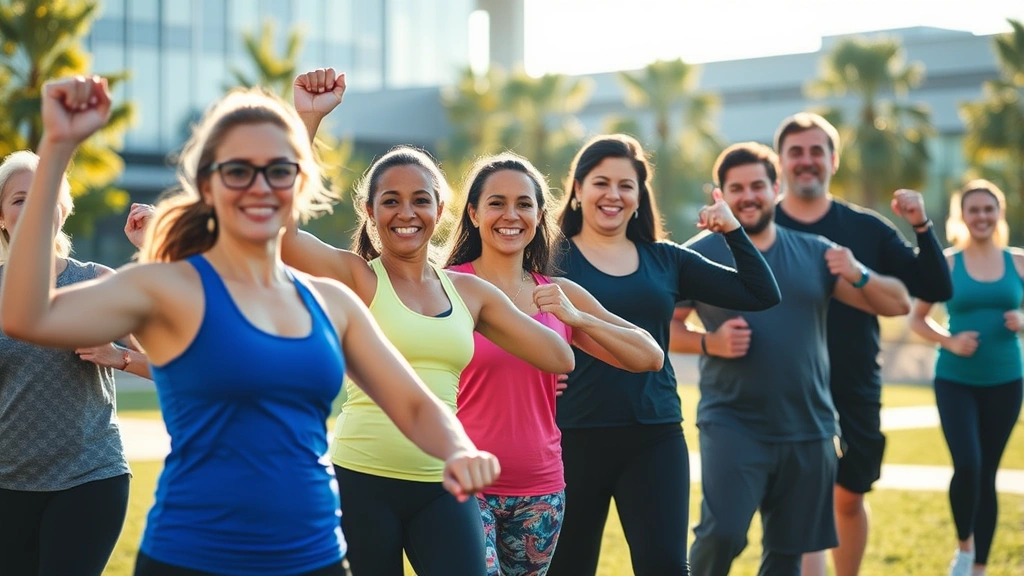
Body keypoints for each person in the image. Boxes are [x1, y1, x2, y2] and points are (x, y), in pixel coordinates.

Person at [0, 75, 499, 576]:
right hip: (189, 558)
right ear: (209, 186)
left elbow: (413, 404)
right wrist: (58, 148)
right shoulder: (165, 289)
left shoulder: (331, 302)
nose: (260, 186)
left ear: (299, 184)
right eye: (239, 170)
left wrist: (457, 449)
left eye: (278, 171)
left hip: (315, 560)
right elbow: (27, 316)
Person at [280, 69, 575, 576]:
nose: (406, 212)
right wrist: (306, 121)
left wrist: (557, 312)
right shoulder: (357, 277)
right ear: (370, 212)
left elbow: (559, 356)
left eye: (420, 199)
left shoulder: (469, 292)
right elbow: (281, 232)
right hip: (362, 477)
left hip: (444, 481)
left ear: (440, 210)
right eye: (390, 200)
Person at [669, 142, 911, 576]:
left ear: (775, 187)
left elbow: (897, 305)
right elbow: (663, 329)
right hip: (733, 423)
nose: (748, 195)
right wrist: (710, 343)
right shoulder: (699, 252)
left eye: (758, 185)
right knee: (722, 533)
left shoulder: (816, 251)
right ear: (720, 194)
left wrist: (859, 272)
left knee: (787, 554)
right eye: (736, 187)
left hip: (809, 428)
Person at [545, 134, 782, 576]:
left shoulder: (666, 260)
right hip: (569, 437)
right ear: (577, 190)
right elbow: (501, 319)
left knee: (666, 567)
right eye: (601, 182)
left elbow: (761, 292)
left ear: (639, 197)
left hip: (653, 437)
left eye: (626, 185)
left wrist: (732, 229)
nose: (613, 194)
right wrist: (533, 370)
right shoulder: (547, 258)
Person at [444, 152, 665, 576]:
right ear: (472, 213)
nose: (511, 215)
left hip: (540, 489)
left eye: (524, 204)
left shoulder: (559, 294)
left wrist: (577, 319)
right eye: (496, 203)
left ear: (540, 214)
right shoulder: (448, 287)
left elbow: (650, 356)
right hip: (464, 481)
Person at [769, 112, 954, 576]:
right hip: (785, 386)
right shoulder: (758, 227)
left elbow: (935, 284)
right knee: (804, 499)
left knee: (849, 497)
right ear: (781, 162)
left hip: (855, 383)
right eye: (796, 152)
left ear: (833, 160)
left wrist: (922, 225)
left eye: (816, 152)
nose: (807, 161)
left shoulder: (866, 228)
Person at [0, 148, 149, 575]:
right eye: (19, 199)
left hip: (90, 478)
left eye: (45, 196)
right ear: (1, 216)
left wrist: (116, 356)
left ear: (62, 210)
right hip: (7, 482)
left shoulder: (98, 283)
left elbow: (177, 366)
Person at [908, 180, 1023, 576]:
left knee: (987, 471)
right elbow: (917, 319)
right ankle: (963, 548)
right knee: (969, 465)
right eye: (973, 209)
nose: (982, 216)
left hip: (1006, 381)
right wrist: (949, 340)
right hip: (955, 379)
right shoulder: (948, 263)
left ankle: (979, 567)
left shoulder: (1019, 262)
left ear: (999, 214)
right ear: (962, 216)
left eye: (989, 209)